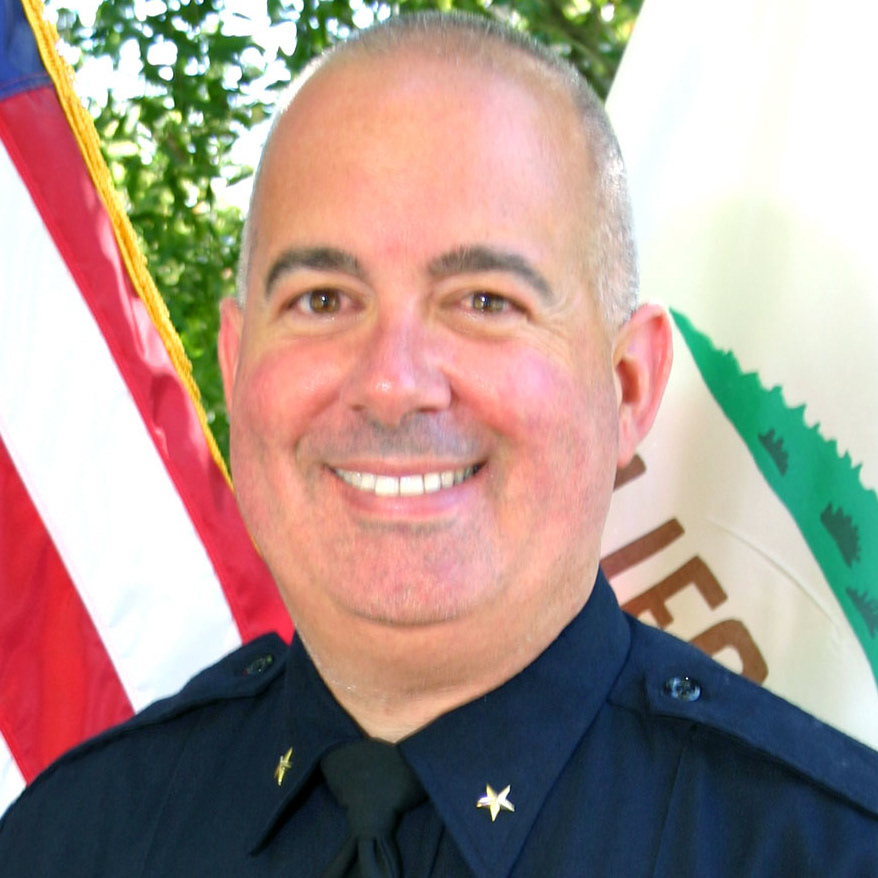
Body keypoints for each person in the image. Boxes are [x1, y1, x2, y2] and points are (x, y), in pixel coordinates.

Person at [1, 11, 877, 877]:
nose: (392, 382)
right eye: (322, 299)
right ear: (235, 368)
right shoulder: (67, 842)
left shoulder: (827, 854)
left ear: (628, 384)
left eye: (485, 301)